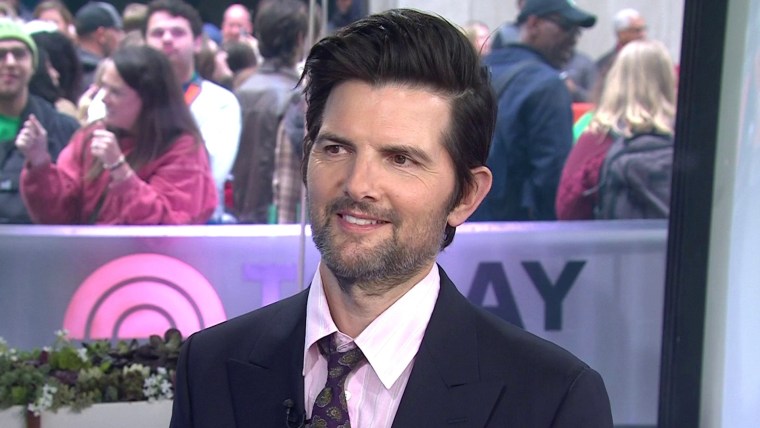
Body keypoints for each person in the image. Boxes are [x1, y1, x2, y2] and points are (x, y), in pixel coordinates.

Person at [170, 8, 613, 428]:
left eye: (400, 159)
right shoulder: (209, 367)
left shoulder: (551, 399)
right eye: (336, 149)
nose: (358, 184)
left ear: (465, 195)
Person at [16, 45, 216, 225]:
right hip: (87, 253)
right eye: (103, 87)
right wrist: (39, 164)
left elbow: (167, 230)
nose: (104, 99)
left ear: (148, 99)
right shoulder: (91, 136)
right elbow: (58, 215)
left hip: (149, 256)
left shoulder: (183, 148)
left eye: (116, 92)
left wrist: (120, 171)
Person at [471, 0, 596, 221]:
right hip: (517, 230)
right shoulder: (548, 85)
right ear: (534, 24)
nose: (573, 38)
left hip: (462, 221)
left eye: (577, 32)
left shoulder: (473, 72)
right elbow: (552, 177)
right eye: (566, 27)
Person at [143, 0, 241, 223]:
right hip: (134, 221)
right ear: (144, 43)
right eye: (157, 33)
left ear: (197, 43)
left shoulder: (221, 102)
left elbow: (212, 173)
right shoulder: (122, 97)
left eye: (178, 32)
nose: (167, 39)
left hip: (199, 223)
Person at [556, 39, 676, 220]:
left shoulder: (596, 137)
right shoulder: (685, 136)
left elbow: (566, 210)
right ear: (668, 80)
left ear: (615, 79)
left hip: (614, 237)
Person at [231, 0, 307, 224]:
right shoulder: (298, 97)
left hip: (239, 215)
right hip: (277, 219)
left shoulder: (239, 91)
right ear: (300, 38)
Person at [0, 18, 80, 224]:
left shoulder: (64, 128)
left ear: (33, 65)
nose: (10, 63)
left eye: (19, 54)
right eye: (1, 55)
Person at [74, 2, 124, 95]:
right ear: (101, 34)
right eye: (117, 31)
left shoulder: (66, 70)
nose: (121, 37)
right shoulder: (104, 78)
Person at [595, 8, 647, 80]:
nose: (643, 35)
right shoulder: (606, 64)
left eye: (644, 29)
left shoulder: (653, 60)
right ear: (622, 33)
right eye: (637, 30)